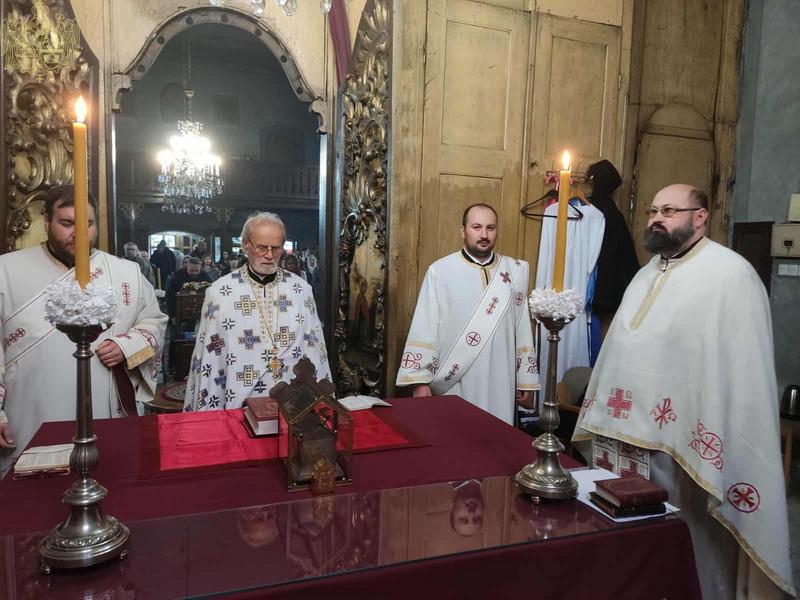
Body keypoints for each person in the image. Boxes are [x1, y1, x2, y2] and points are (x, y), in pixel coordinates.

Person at [573, 184, 794, 599]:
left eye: (670, 210)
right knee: (628, 549)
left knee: (688, 542)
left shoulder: (730, 276)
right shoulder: (646, 273)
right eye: (653, 210)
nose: (657, 218)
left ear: (700, 217)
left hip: (686, 450)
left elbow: (738, 373)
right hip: (624, 440)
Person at [0, 185, 167, 473]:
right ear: (46, 222)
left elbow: (154, 322)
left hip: (103, 409)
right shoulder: (6, 271)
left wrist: (127, 346)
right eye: (66, 223)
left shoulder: (125, 273)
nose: (78, 233)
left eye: (87, 224)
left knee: (109, 477)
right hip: (29, 411)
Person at [396, 203, 540, 425]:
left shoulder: (514, 271)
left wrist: (525, 378)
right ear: (463, 231)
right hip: (456, 378)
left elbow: (521, 327)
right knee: (458, 436)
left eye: (490, 228)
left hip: (502, 377)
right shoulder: (440, 271)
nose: (484, 235)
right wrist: (420, 382)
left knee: (499, 436)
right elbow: (425, 326)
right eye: (476, 227)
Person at [184, 212, 331, 411]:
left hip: (294, 400)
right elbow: (211, 356)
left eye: (276, 248)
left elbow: (314, 347)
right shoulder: (220, 293)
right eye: (262, 247)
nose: (269, 255)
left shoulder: (301, 290)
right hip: (239, 400)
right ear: (246, 245)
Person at [585, 159, 639, 338]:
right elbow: (627, 257)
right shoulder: (614, 214)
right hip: (608, 283)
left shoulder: (585, 210)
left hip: (587, 279)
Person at [166, 256, 212, 326]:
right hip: (180, 310)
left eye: (197, 271)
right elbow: (170, 296)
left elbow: (211, 293)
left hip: (200, 311)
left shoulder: (204, 275)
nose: (194, 273)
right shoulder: (178, 275)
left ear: (200, 268)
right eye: (191, 270)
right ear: (187, 267)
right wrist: (172, 315)